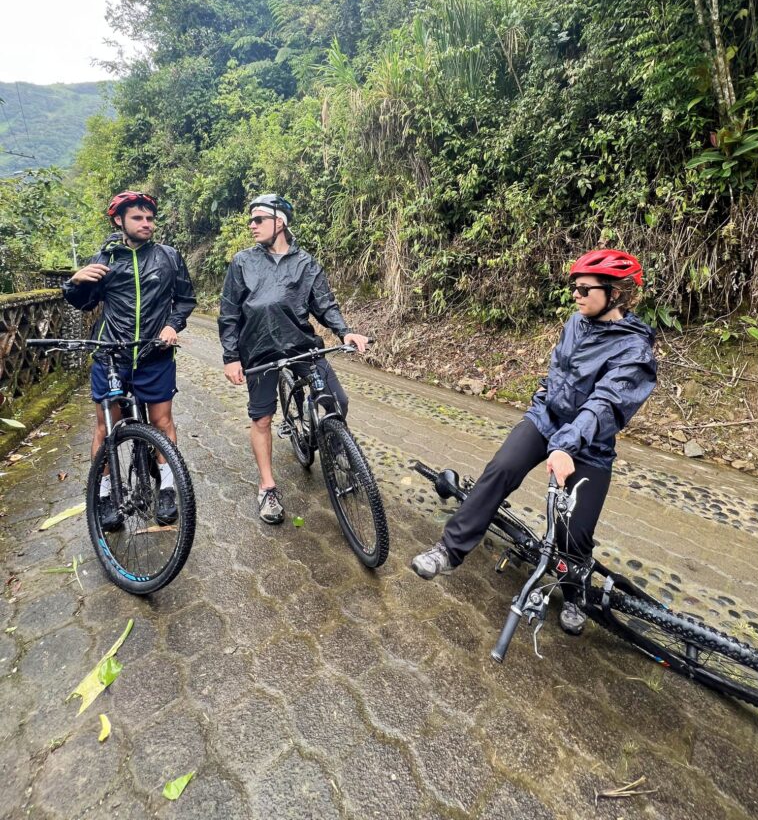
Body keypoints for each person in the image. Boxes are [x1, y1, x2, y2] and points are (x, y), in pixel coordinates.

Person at [410, 249, 657, 636]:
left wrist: (566, 445)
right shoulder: (576, 323)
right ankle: (449, 550)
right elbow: (557, 369)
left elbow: (607, 403)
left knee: (572, 530)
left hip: (589, 444)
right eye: (572, 287)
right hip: (546, 421)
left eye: (583, 288)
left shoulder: (634, 350)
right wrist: (542, 400)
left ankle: (575, 593)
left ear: (616, 293)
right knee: (500, 470)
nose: (574, 294)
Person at [218, 194, 369, 525]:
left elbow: (324, 304)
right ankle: (267, 486)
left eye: (258, 219)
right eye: (250, 220)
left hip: (301, 345)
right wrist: (231, 357)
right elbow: (229, 313)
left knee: (336, 401)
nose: (252, 225)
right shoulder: (242, 262)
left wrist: (345, 332)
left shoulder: (306, 263)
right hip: (257, 351)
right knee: (261, 419)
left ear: (280, 222)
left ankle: (336, 448)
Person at [62, 191, 197, 529]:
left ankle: (167, 486)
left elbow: (184, 299)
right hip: (111, 356)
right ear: (119, 221)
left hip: (156, 353)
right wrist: (74, 282)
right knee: (106, 428)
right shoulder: (104, 259)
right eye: (138, 218)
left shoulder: (168, 257)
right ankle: (105, 492)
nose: (146, 223)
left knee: (163, 424)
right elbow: (82, 302)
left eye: (150, 218)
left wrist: (171, 325)